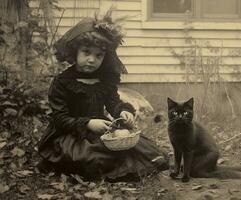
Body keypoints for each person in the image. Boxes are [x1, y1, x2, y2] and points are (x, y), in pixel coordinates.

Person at [37, 17, 169, 181]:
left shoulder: (104, 80)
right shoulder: (63, 82)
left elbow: (113, 103)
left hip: (101, 128)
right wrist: (88, 123)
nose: (92, 59)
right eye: (86, 52)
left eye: (99, 55)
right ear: (75, 52)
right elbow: (60, 119)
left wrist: (123, 112)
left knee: (138, 150)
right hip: (71, 133)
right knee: (91, 157)